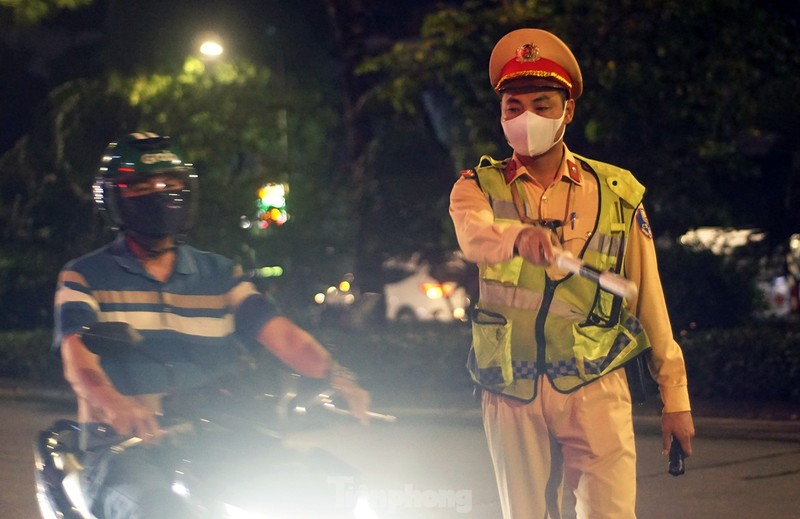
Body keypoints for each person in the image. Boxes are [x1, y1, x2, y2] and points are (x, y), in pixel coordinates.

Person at [53, 132, 371, 519]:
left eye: (170, 182)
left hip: (218, 435)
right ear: (115, 199)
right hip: (126, 449)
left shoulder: (219, 274)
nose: (159, 192)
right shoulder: (85, 276)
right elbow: (80, 363)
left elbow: (283, 336)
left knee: (327, 488)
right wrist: (115, 403)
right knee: (162, 512)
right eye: (141, 185)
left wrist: (337, 376)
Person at [449, 29, 695, 518]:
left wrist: (676, 398)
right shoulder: (475, 187)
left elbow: (649, 300)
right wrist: (519, 237)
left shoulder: (617, 192)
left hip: (595, 385)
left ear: (568, 111)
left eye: (542, 105)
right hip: (511, 389)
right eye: (513, 108)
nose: (526, 120)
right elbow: (475, 237)